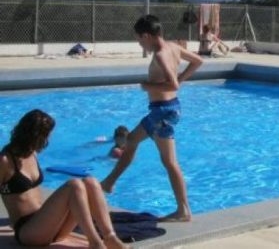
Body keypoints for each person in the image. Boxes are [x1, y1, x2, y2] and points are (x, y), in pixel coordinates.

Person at [101, 15, 204, 222]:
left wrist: (148, 86)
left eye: (139, 40)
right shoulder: (173, 47)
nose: (140, 44)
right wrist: (180, 79)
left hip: (162, 112)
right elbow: (198, 61)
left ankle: (183, 210)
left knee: (170, 161)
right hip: (164, 109)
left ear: (147, 36)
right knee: (131, 140)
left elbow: (172, 85)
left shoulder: (160, 55)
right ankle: (109, 182)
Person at [0, 110, 128, 248]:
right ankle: (95, 241)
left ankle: (110, 236)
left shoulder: (32, 153)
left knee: (90, 181)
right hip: (28, 232)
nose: (47, 142)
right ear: (35, 136)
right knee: (74, 185)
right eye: (45, 137)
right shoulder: (5, 161)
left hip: (51, 227)